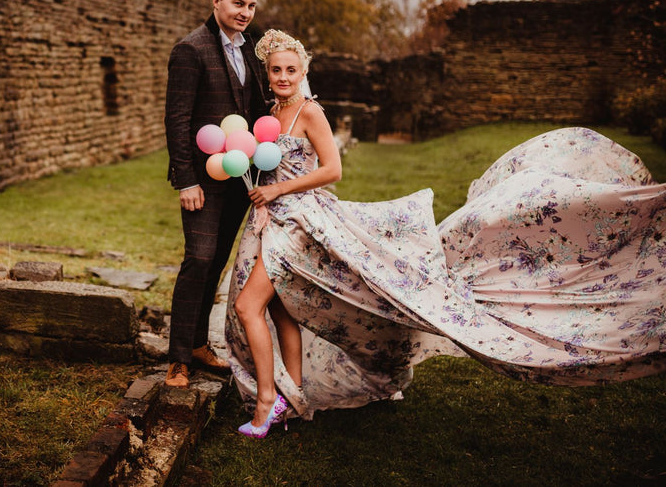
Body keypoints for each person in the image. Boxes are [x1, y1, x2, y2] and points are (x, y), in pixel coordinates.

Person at [226, 29, 666, 438]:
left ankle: (268, 404)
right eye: (276, 70)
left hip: (301, 223)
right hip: (271, 218)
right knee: (282, 309)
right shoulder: (272, 113)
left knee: (249, 307)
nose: (283, 77)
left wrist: (279, 188)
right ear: (268, 74)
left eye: (291, 69)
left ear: (303, 72)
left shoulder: (310, 112)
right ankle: (293, 398)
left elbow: (333, 170)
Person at [163, 0, 272, 388]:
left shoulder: (250, 51)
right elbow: (177, 119)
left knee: (218, 263)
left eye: (251, 6)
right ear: (216, 1)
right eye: (238, 3)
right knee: (199, 260)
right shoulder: (190, 49)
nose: (245, 12)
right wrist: (185, 181)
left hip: (240, 177)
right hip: (204, 178)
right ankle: (177, 359)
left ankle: (197, 345)